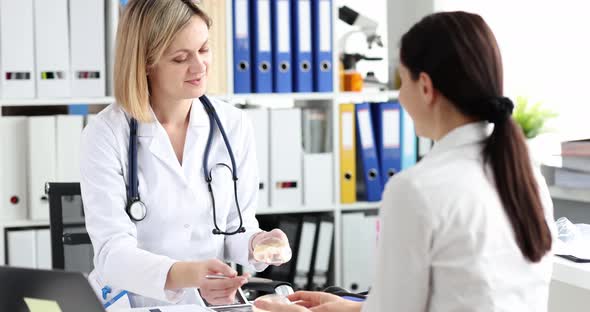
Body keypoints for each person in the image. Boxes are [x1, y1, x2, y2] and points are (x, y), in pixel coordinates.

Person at [254, 11, 556, 312]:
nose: (399, 95)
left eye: (403, 80)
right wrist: (354, 308)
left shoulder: (417, 189)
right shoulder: (524, 175)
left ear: (425, 87)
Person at [79, 0, 290, 308]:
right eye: (180, 58)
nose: (199, 66)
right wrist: (190, 274)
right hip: (132, 302)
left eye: (204, 50)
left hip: (207, 302)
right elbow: (113, 253)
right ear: (146, 63)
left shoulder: (233, 125)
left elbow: (235, 227)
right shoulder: (105, 134)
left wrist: (259, 244)